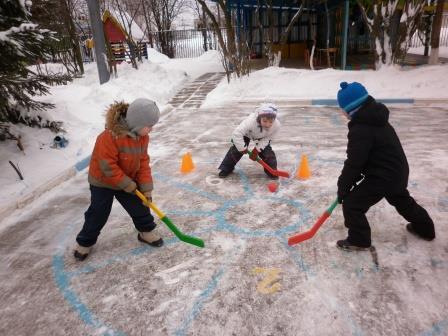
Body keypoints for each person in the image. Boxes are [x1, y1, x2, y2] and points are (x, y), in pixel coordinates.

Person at [335, 82, 435, 251]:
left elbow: (354, 162)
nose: (341, 112)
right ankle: (426, 228)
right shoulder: (376, 118)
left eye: (342, 108)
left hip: (383, 176)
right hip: (397, 171)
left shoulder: (361, 129)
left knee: (352, 203)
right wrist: (358, 175)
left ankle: (359, 240)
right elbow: (373, 154)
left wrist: (343, 186)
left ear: (350, 109)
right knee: (402, 200)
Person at [74, 98, 163, 261]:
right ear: (137, 123)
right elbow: (107, 166)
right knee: (98, 212)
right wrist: (127, 184)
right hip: (102, 181)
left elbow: (143, 161)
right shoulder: (109, 137)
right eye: (149, 126)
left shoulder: (142, 137)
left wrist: (146, 187)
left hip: (127, 179)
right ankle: (85, 242)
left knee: (140, 205)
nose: (151, 129)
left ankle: (146, 231)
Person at [218, 103, 281, 179]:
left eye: (271, 122)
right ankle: (226, 168)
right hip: (247, 134)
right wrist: (241, 148)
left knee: (268, 153)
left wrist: (257, 150)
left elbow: (268, 138)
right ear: (259, 117)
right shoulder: (250, 121)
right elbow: (237, 133)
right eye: (265, 121)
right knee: (236, 150)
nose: (267, 124)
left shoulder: (276, 126)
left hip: (263, 137)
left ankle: (272, 171)